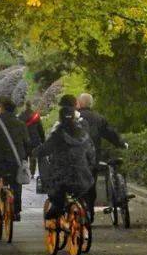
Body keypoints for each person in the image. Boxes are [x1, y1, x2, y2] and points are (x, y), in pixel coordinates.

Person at [37, 94, 95, 226]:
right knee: (82, 191)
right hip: (83, 176)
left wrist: (36, 152)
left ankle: (57, 208)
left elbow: (45, 149)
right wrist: (89, 165)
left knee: (55, 187)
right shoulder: (83, 132)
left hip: (63, 177)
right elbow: (91, 152)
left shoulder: (58, 132)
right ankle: (84, 214)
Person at [76, 92, 126, 219]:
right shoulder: (99, 118)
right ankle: (89, 211)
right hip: (93, 158)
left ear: (79, 103)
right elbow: (110, 134)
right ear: (90, 104)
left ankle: (79, 209)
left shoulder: (72, 118)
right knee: (91, 183)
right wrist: (121, 144)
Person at [21, 102, 45, 176]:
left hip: (24, 139)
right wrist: (43, 139)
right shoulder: (36, 116)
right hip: (34, 139)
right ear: (31, 106)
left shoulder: (21, 116)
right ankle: (32, 172)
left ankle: (24, 171)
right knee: (33, 156)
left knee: (24, 156)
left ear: (25, 106)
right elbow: (40, 128)